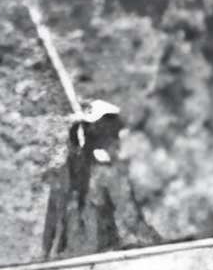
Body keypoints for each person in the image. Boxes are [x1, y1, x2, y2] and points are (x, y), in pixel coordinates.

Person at [40, 102, 145, 261]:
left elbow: (48, 235)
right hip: (100, 261)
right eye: (115, 134)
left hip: (64, 261)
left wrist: (46, 258)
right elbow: (133, 221)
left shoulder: (61, 175)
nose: (118, 142)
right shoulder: (107, 174)